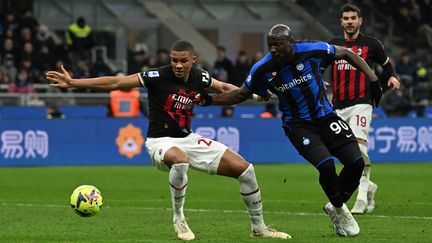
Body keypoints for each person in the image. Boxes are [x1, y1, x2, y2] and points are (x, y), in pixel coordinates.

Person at [46, 40, 291, 241]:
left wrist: (258, 96)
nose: (178, 65)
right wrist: (73, 82)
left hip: (188, 138)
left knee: (246, 170)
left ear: (193, 60)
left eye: (183, 60)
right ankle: (179, 218)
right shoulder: (157, 76)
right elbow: (117, 82)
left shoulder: (199, 77)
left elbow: (225, 87)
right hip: (159, 142)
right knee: (180, 160)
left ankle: (259, 228)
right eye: (174, 60)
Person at [210, 24, 384, 237]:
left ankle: (334, 204)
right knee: (327, 166)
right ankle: (340, 210)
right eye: (270, 45)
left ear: (290, 43)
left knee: (356, 163)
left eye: (278, 45)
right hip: (298, 126)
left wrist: (373, 80)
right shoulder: (262, 69)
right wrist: (206, 101)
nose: (273, 49)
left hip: (326, 117)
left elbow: (346, 53)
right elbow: (239, 94)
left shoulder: (312, 50)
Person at [327, 3, 400, 214]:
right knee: (344, 153)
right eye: (346, 18)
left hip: (362, 103)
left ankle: (360, 199)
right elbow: (319, 66)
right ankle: (368, 187)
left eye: (353, 18)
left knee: (359, 149)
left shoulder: (372, 44)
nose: (349, 22)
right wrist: (319, 80)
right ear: (341, 22)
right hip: (338, 106)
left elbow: (387, 65)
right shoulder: (333, 45)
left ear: (360, 21)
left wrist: (393, 76)